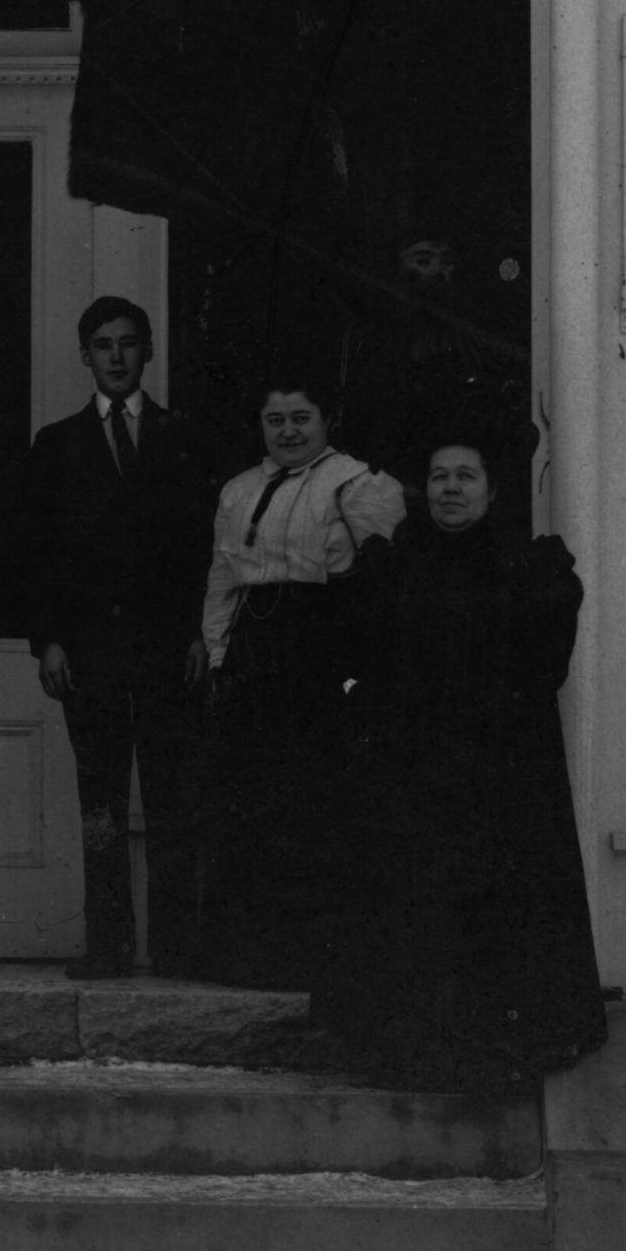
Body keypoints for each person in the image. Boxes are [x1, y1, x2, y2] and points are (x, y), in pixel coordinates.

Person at [312, 423, 609, 1088]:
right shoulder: (394, 561)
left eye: (465, 476)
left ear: (492, 489)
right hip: (413, 771)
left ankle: (489, 1042)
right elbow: (354, 649)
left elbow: (542, 664)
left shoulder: (526, 565)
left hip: (494, 773)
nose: (450, 488)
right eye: (440, 476)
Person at [16, 295, 218, 978]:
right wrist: (47, 639)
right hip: (91, 654)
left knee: (173, 801)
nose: (116, 355)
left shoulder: (184, 437)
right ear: (85, 354)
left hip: (169, 652)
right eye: (103, 344)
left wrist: (198, 632)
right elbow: (37, 553)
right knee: (100, 803)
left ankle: (177, 945)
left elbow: (201, 547)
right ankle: (106, 943)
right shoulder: (56, 444)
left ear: (148, 350)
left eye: (128, 342)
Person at [192, 367, 405, 988]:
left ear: (325, 421)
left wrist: (360, 668)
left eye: (300, 419)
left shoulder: (357, 484)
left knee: (312, 802)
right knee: (250, 801)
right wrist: (219, 655)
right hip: (256, 650)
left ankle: (309, 958)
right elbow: (222, 578)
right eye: (275, 420)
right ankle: (243, 959)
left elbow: (381, 583)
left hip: (321, 648)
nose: (287, 431)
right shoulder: (237, 489)